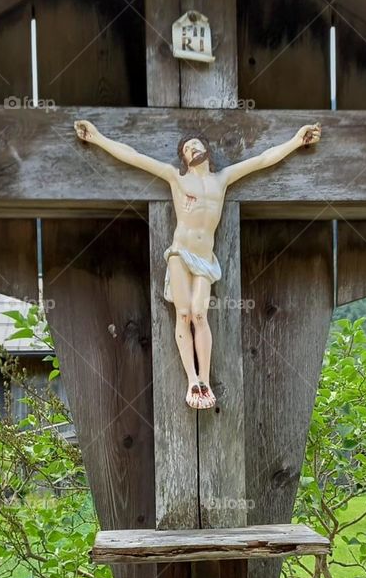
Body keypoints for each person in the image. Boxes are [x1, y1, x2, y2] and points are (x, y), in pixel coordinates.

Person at [74, 119, 321, 408]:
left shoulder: (223, 179)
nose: (193, 148)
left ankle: (204, 379)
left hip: (204, 257)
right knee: (184, 314)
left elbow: (263, 160)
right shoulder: (176, 178)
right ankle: (191, 379)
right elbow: (134, 157)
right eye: (187, 148)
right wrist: (98, 138)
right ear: (184, 159)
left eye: (196, 145)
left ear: (206, 151)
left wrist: (296, 141)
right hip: (181, 252)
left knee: (200, 315)